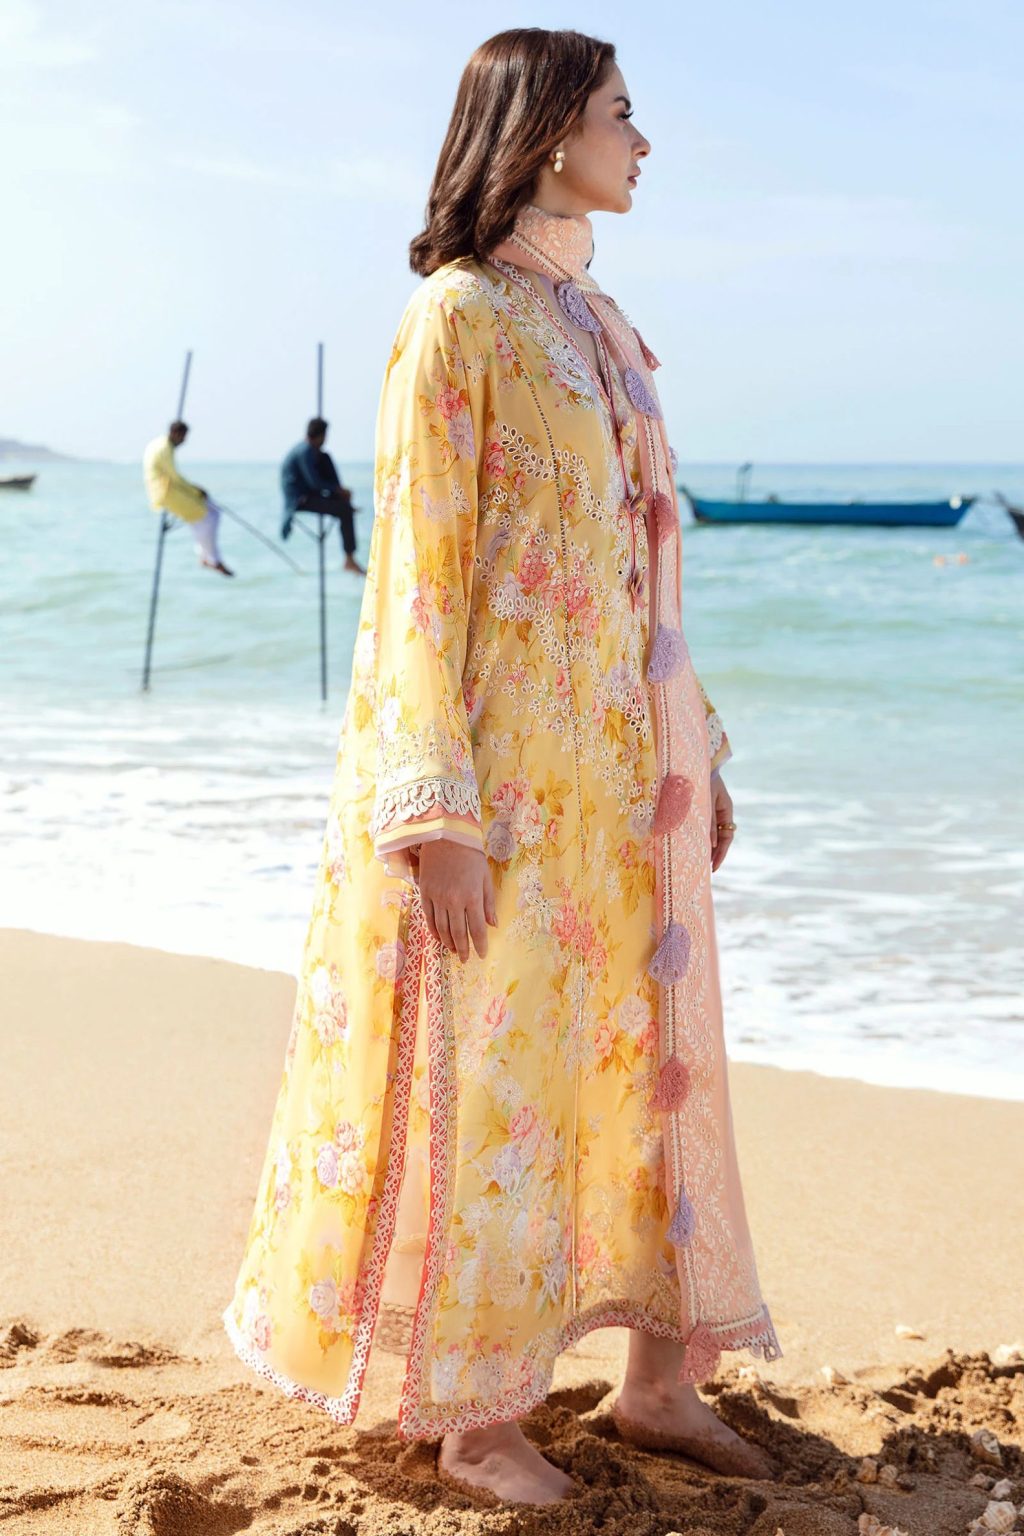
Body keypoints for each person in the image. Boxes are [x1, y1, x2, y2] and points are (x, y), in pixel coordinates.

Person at [222, 27, 781, 1508]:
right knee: (503, 1081)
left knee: (644, 1070)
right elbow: (419, 575)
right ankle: (473, 1418)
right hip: (511, 785)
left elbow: (639, 574)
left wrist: (701, 750)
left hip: (629, 786)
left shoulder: (600, 321)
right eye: (621, 114)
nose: (642, 142)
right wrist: (435, 808)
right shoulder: (457, 316)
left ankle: (657, 1382)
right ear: (544, 134)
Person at [142, 421, 234, 576]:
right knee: (208, 516)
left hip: (166, 489)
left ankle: (206, 556)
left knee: (210, 512)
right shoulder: (165, 448)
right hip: (166, 492)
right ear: (176, 434)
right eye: (183, 437)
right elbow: (175, 477)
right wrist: (195, 491)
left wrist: (195, 491)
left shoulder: (160, 443)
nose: (184, 441)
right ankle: (212, 560)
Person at [280, 418, 366, 575]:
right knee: (344, 510)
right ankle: (349, 559)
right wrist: (339, 490)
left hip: (308, 494)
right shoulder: (305, 451)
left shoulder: (314, 452)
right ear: (321, 435)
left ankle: (350, 558)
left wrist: (338, 492)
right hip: (299, 500)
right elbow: (315, 483)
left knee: (326, 458)